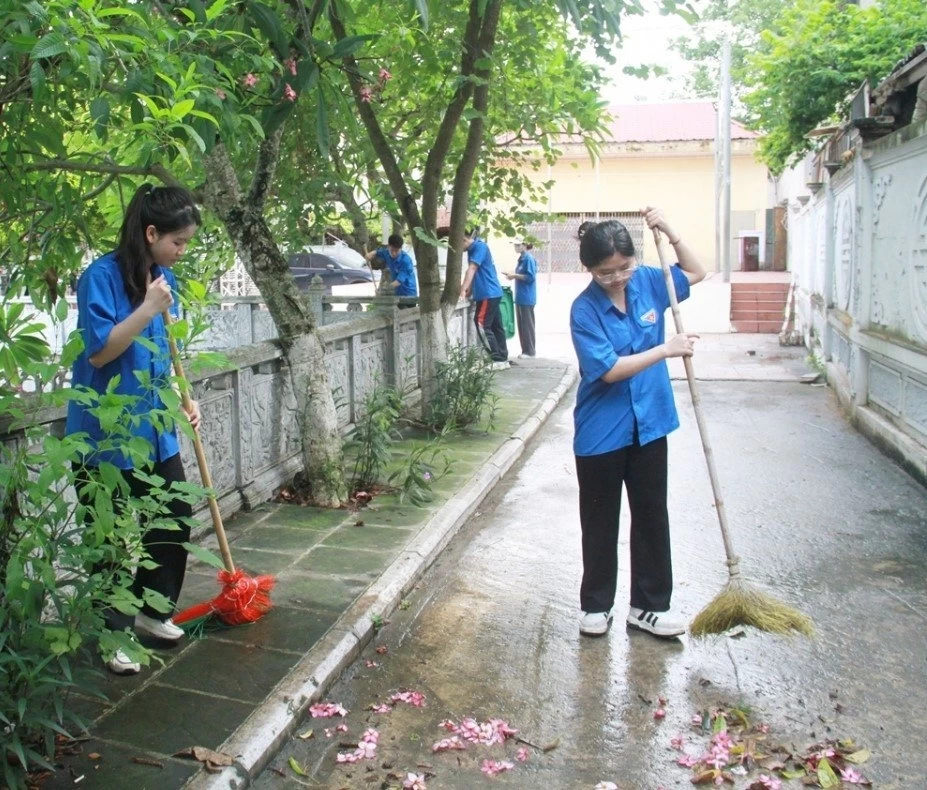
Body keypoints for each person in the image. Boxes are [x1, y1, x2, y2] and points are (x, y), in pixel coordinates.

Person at [66, 183, 202, 674]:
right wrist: (146, 307)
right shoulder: (99, 278)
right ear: (150, 232)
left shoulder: (165, 278)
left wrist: (186, 399)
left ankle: (152, 612)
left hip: (156, 426)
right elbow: (100, 351)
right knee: (111, 539)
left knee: (174, 513)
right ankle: (110, 636)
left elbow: (169, 348)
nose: (181, 252)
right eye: (178, 242)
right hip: (106, 435)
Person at [570, 207, 705, 639]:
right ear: (589, 268)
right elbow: (608, 370)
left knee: (651, 514)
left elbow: (698, 271)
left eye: (623, 267)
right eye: (605, 272)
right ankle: (596, 606)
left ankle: (648, 607)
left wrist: (670, 229)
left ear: (635, 260)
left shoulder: (649, 280)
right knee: (599, 518)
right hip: (601, 431)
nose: (617, 278)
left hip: (650, 421)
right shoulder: (583, 310)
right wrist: (666, 350)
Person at [460, 228, 509, 370]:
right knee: (496, 326)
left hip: (487, 293)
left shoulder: (479, 247)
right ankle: (502, 357)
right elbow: (472, 271)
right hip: (492, 292)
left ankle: (497, 358)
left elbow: (472, 269)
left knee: (481, 324)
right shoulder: (475, 248)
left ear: (464, 240)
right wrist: (469, 289)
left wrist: (463, 289)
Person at [504, 241, 537, 358]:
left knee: (527, 325)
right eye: (515, 245)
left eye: (518, 245)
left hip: (527, 297)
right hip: (520, 297)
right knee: (522, 325)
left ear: (524, 245)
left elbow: (530, 277)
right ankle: (525, 350)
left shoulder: (528, 259)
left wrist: (514, 276)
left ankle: (530, 351)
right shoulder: (521, 259)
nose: (516, 247)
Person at [365, 233, 417, 306]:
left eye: (396, 251)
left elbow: (399, 281)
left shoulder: (406, 261)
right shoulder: (386, 252)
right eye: (392, 250)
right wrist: (371, 254)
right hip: (396, 294)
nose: (394, 253)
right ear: (388, 246)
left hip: (408, 295)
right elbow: (378, 252)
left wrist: (382, 290)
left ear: (401, 248)